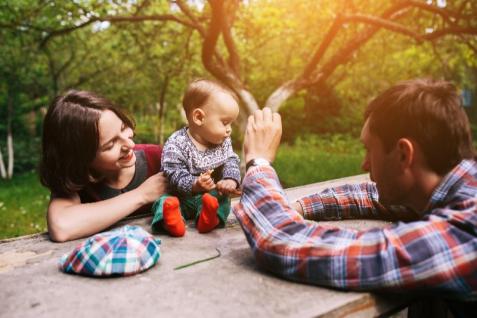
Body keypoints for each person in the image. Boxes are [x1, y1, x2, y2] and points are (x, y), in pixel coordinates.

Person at [234, 79, 477, 314]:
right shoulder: (458, 189)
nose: (364, 164)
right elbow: (372, 195)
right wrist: (295, 207)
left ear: (404, 155)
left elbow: (284, 241)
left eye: (369, 150)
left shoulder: (466, 233)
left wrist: (258, 162)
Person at [40, 90, 168, 242]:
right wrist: (142, 195)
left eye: (123, 128)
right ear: (81, 158)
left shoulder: (158, 157)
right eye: (110, 144)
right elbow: (61, 226)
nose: (130, 144)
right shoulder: (76, 182)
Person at [151, 79, 241, 237]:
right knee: (164, 202)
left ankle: (208, 218)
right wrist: (194, 184)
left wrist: (230, 179)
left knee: (221, 199)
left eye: (231, 124)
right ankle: (172, 221)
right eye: (225, 122)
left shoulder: (223, 142)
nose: (229, 130)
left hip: (208, 197)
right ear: (199, 117)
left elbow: (231, 160)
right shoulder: (176, 144)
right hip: (180, 197)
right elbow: (173, 173)